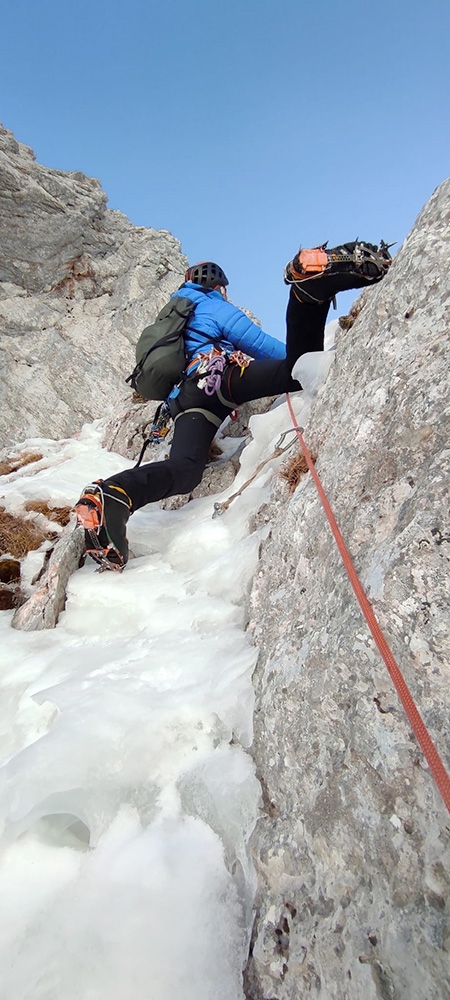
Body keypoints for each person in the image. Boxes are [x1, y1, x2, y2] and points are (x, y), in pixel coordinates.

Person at [75, 242, 391, 569]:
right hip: (219, 379)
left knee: (185, 470)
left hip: (187, 399)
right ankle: (307, 294)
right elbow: (263, 347)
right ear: (219, 286)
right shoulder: (211, 304)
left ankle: (114, 494)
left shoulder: (175, 315)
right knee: (298, 368)